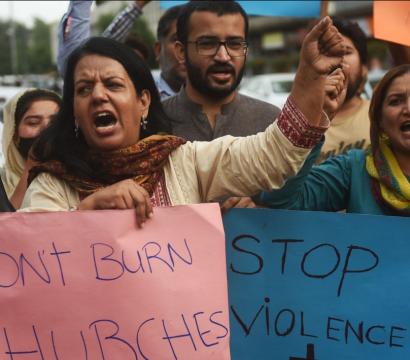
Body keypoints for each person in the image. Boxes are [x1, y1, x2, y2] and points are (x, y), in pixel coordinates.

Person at [20, 17, 345, 226]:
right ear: (75, 111)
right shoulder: (52, 184)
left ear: (144, 102)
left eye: (114, 85)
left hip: (176, 334)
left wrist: (306, 83)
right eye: (84, 89)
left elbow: (271, 157)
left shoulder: (183, 162)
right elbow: (29, 263)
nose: (98, 96)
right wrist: (88, 214)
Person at [162, 0, 281, 210]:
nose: (223, 56)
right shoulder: (153, 122)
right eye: (207, 44)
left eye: (235, 44)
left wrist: (261, 214)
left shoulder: (274, 123)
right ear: (181, 51)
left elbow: (294, 209)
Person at [256, 64, 410, 216]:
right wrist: (315, 115)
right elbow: (282, 203)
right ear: (380, 120)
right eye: (395, 101)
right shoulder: (355, 169)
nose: (408, 109)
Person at [57, 1, 186, 99]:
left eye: (203, 43)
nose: (183, 50)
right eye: (176, 40)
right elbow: (84, 60)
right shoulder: (143, 94)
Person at [318, 17, 370, 163]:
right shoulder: (301, 125)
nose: (339, 60)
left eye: (347, 52)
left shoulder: (381, 117)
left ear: (364, 69)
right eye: (330, 53)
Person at [1, 89, 61, 209]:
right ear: (14, 135)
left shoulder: (82, 176)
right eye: (33, 123)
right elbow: (6, 223)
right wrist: (30, 169)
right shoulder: (2, 182)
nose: (46, 129)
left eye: (55, 122)